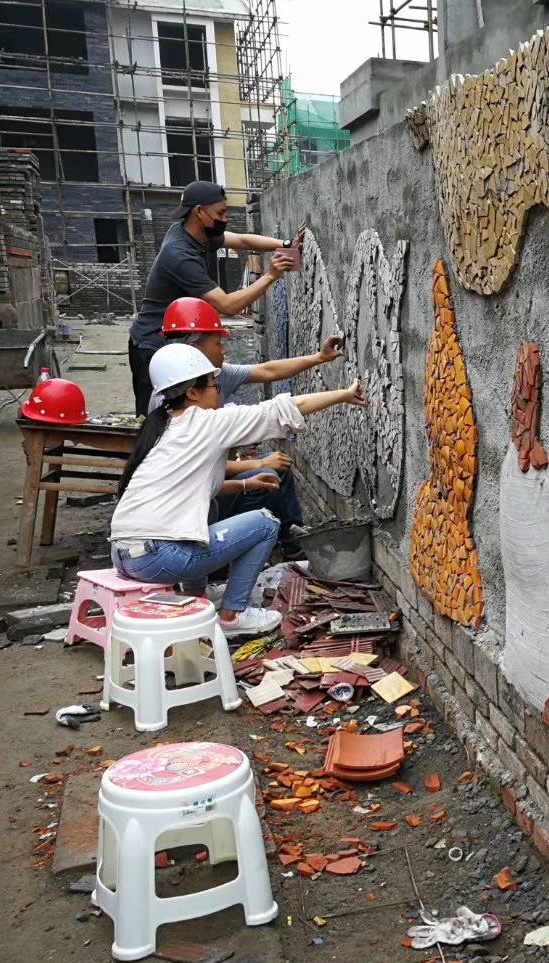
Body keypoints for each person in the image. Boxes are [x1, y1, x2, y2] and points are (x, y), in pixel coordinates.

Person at [109, 342, 365, 637]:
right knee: (265, 523)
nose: (218, 390)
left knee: (211, 508)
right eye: (213, 385)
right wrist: (344, 394)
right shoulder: (207, 423)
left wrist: (246, 483)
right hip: (159, 559)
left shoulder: (162, 426)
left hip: (125, 556)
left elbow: (194, 490)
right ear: (192, 392)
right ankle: (231, 616)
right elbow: (283, 410)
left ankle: (198, 598)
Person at [160, 295, 343, 558]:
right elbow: (195, 471)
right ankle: (226, 552)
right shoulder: (172, 401)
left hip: (194, 496)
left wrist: (319, 358)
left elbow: (268, 371)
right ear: (195, 348)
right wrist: (254, 465)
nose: (224, 349)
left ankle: (290, 545)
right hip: (183, 517)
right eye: (218, 342)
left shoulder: (213, 375)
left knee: (271, 473)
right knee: (265, 485)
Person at [127, 179, 304, 415]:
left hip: (179, 336)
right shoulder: (180, 255)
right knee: (160, 417)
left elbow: (243, 240)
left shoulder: (196, 233)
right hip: (153, 344)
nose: (225, 218)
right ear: (199, 212)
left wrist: (286, 244)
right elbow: (228, 305)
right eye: (220, 212)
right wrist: (271, 275)